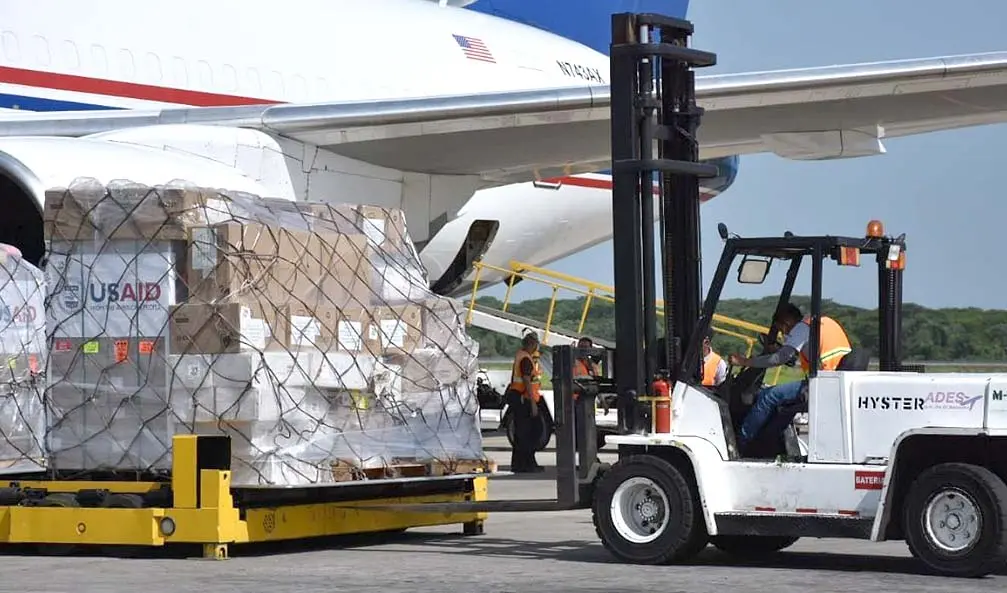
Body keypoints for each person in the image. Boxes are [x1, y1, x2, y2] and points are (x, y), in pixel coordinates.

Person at [728, 303, 851, 448]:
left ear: (786, 322)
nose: (784, 334)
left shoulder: (802, 328)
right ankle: (768, 445)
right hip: (836, 380)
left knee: (768, 396)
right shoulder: (822, 323)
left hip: (823, 383)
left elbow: (779, 358)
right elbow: (792, 356)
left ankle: (740, 444)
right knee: (780, 403)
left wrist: (744, 361)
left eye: (781, 330)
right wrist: (778, 351)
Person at [506, 332, 545, 473]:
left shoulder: (521, 356)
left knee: (523, 433)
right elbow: (527, 381)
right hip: (525, 399)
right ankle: (526, 464)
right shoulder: (526, 359)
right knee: (529, 433)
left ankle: (523, 463)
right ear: (532, 344)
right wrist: (533, 403)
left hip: (520, 398)